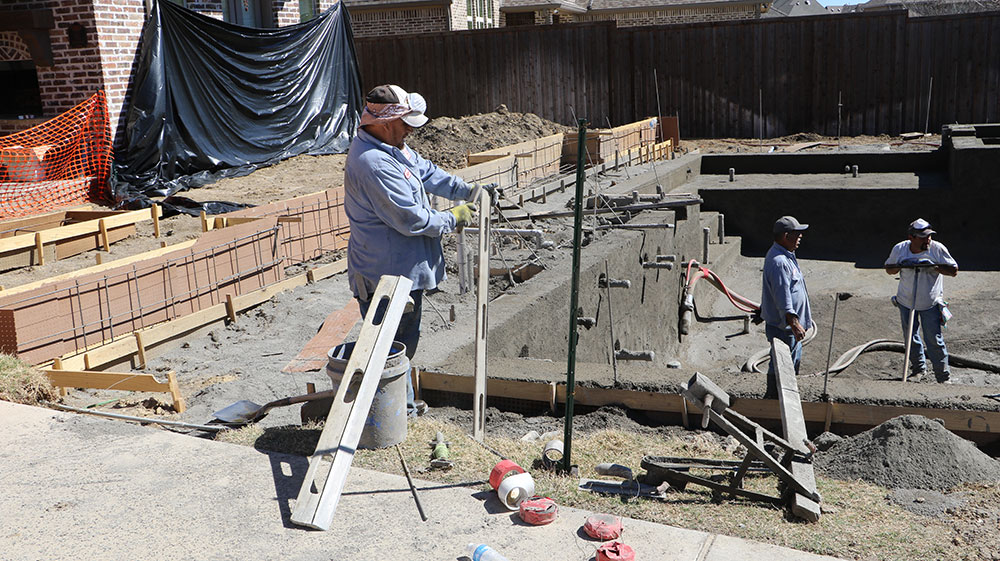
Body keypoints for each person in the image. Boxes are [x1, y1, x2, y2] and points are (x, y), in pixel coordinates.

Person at [344, 84, 491, 417]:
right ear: (383, 122)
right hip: (385, 277)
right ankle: (397, 413)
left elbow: (427, 172)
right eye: (405, 124)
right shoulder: (373, 163)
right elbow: (409, 219)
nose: (410, 130)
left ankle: (404, 406)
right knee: (389, 348)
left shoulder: (394, 146)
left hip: (403, 274)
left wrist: (467, 189)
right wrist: (452, 216)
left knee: (402, 344)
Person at [884, 218, 958, 383]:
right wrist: (902, 265)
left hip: (929, 303)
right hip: (906, 301)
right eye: (923, 237)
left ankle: (943, 377)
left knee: (934, 340)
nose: (928, 240)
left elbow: (953, 270)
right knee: (911, 338)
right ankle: (918, 369)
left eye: (929, 236)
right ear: (912, 237)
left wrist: (934, 267)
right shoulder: (900, 249)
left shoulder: (937, 249)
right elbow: (889, 269)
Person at [760, 216, 813, 398]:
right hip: (785, 329)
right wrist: (795, 323)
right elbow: (783, 296)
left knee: (788, 365)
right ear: (785, 236)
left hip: (787, 328)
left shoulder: (785, 255)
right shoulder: (780, 262)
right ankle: (776, 401)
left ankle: (785, 397)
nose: (800, 237)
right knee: (781, 367)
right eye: (797, 234)